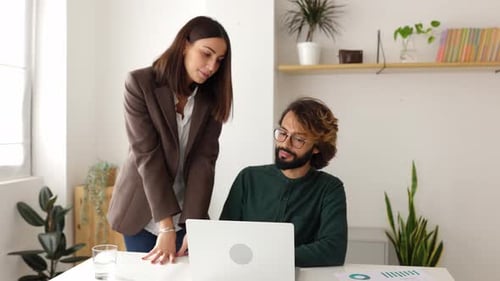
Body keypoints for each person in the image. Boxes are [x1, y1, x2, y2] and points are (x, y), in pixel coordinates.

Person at [107, 16, 232, 265]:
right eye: (206, 54)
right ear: (185, 45)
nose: (211, 66)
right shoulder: (140, 84)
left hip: (188, 210)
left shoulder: (211, 97)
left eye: (219, 60)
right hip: (143, 211)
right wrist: (165, 227)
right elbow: (147, 156)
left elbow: (203, 162)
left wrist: (194, 225)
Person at [219, 97, 347, 267]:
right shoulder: (248, 178)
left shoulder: (330, 189)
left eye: (298, 139)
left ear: (317, 147)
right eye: (283, 133)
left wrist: (269, 256)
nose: (285, 144)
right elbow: (223, 236)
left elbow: (333, 250)